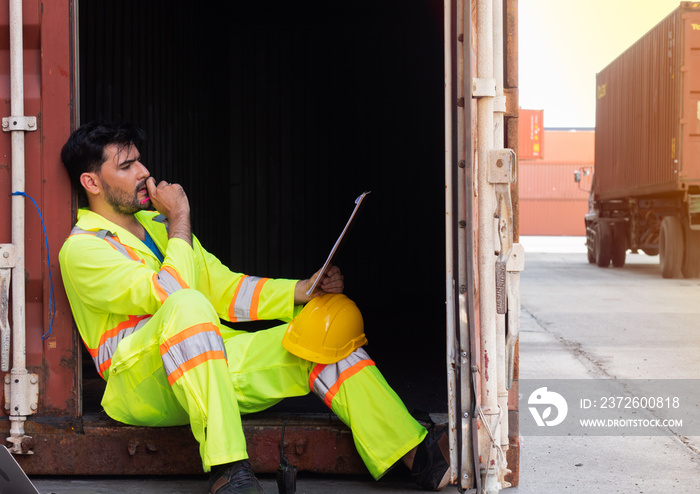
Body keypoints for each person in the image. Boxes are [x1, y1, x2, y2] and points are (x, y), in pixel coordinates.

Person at [58, 121, 450, 493]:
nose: (144, 172)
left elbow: (225, 288)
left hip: (206, 366)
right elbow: (171, 293)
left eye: (140, 160)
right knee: (187, 303)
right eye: (127, 166)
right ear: (91, 182)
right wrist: (180, 216)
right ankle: (229, 470)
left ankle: (416, 457)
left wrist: (303, 290)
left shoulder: (157, 228)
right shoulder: (83, 248)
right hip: (141, 387)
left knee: (319, 340)